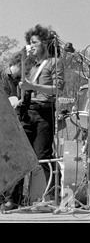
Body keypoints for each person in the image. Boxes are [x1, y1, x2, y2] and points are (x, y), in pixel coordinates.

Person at [18, 24, 65, 201]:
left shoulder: (55, 62)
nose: (32, 45)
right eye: (30, 42)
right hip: (28, 111)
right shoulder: (33, 65)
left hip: (44, 111)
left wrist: (33, 86)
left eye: (34, 42)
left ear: (45, 43)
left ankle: (54, 194)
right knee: (22, 154)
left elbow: (58, 89)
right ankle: (15, 198)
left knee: (43, 155)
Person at [0, 49, 34, 210]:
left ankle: (14, 199)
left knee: (20, 160)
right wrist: (12, 102)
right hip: (3, 127)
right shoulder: (2, 78)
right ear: (17, 64)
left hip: (18, 127)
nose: (26, 73)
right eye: (25, 69)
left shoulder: (23, 83)